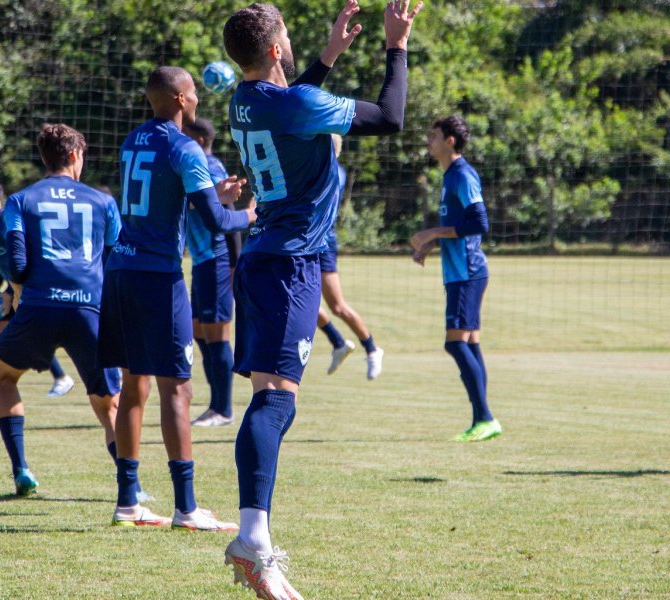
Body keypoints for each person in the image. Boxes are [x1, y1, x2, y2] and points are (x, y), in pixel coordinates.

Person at [221, 1, 419, 596]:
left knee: (267, 397)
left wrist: (328, 57)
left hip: (258, 259)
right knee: (278, 403)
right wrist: (396, 46)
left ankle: (253, 535)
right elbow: (390, 118)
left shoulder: (243, 99)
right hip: (291, 265)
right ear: (277, 50)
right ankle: (252, 538)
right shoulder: (298, 104)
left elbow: (293, 100)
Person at [102, 67, 254, 531]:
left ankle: (128, 502)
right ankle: (186, 508)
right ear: (183, 98)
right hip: (158, 279)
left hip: (121, 271)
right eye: (194, 94)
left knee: (135, 385)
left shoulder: (133, 141)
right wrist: (246, 212)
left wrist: (213, 196)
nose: (198, 101)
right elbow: (215, 225)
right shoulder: (187, 148)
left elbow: (163, 199)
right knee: (179, 389)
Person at [0, 123, 123, 496]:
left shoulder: (20, 200)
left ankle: (21, 469)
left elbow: (15, 264)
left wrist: (18, 290)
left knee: (2, 376)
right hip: (89, 311)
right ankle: (130, 487)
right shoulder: (103, 201)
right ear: (75, 155)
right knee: (108, 403)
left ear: (44, 157)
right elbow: (115, 262)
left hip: (38, 308)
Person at [410, 116, 499, 443]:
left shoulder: (461, 175)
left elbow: (479, 223)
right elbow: (459, 229)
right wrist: (431, 246)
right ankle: (482, 420)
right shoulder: (450, 176)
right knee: (470, 343)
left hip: (468, 273)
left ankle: (485, 416)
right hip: (462, 272)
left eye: (433, 135)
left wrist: (432, 231)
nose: (428, 141)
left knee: (455, 343)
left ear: (450, 141)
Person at [0, 182, 75, 400]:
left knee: (36, 333)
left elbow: (21, 257)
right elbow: (0, 263)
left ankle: (63, 378)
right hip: (12, 291)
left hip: (27, 287)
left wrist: (9, 291)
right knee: (2, 334)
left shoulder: (7, 221)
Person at [183, 118, 241, 427]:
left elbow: (228, 214)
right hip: (203, 260)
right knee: (198, 332)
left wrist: (235, 265)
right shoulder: (193, 164)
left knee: (217, 334)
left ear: (200, 137)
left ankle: (224, 409)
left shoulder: (211, 166)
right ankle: (215, 404)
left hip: (218, 259)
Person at [317, 134, 384, 379]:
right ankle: (337, 342)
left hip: (322, 244)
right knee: (301, 300)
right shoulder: (326, 168)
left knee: (337, 305)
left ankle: (372, 348)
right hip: (307, 242)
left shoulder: (333, 172)